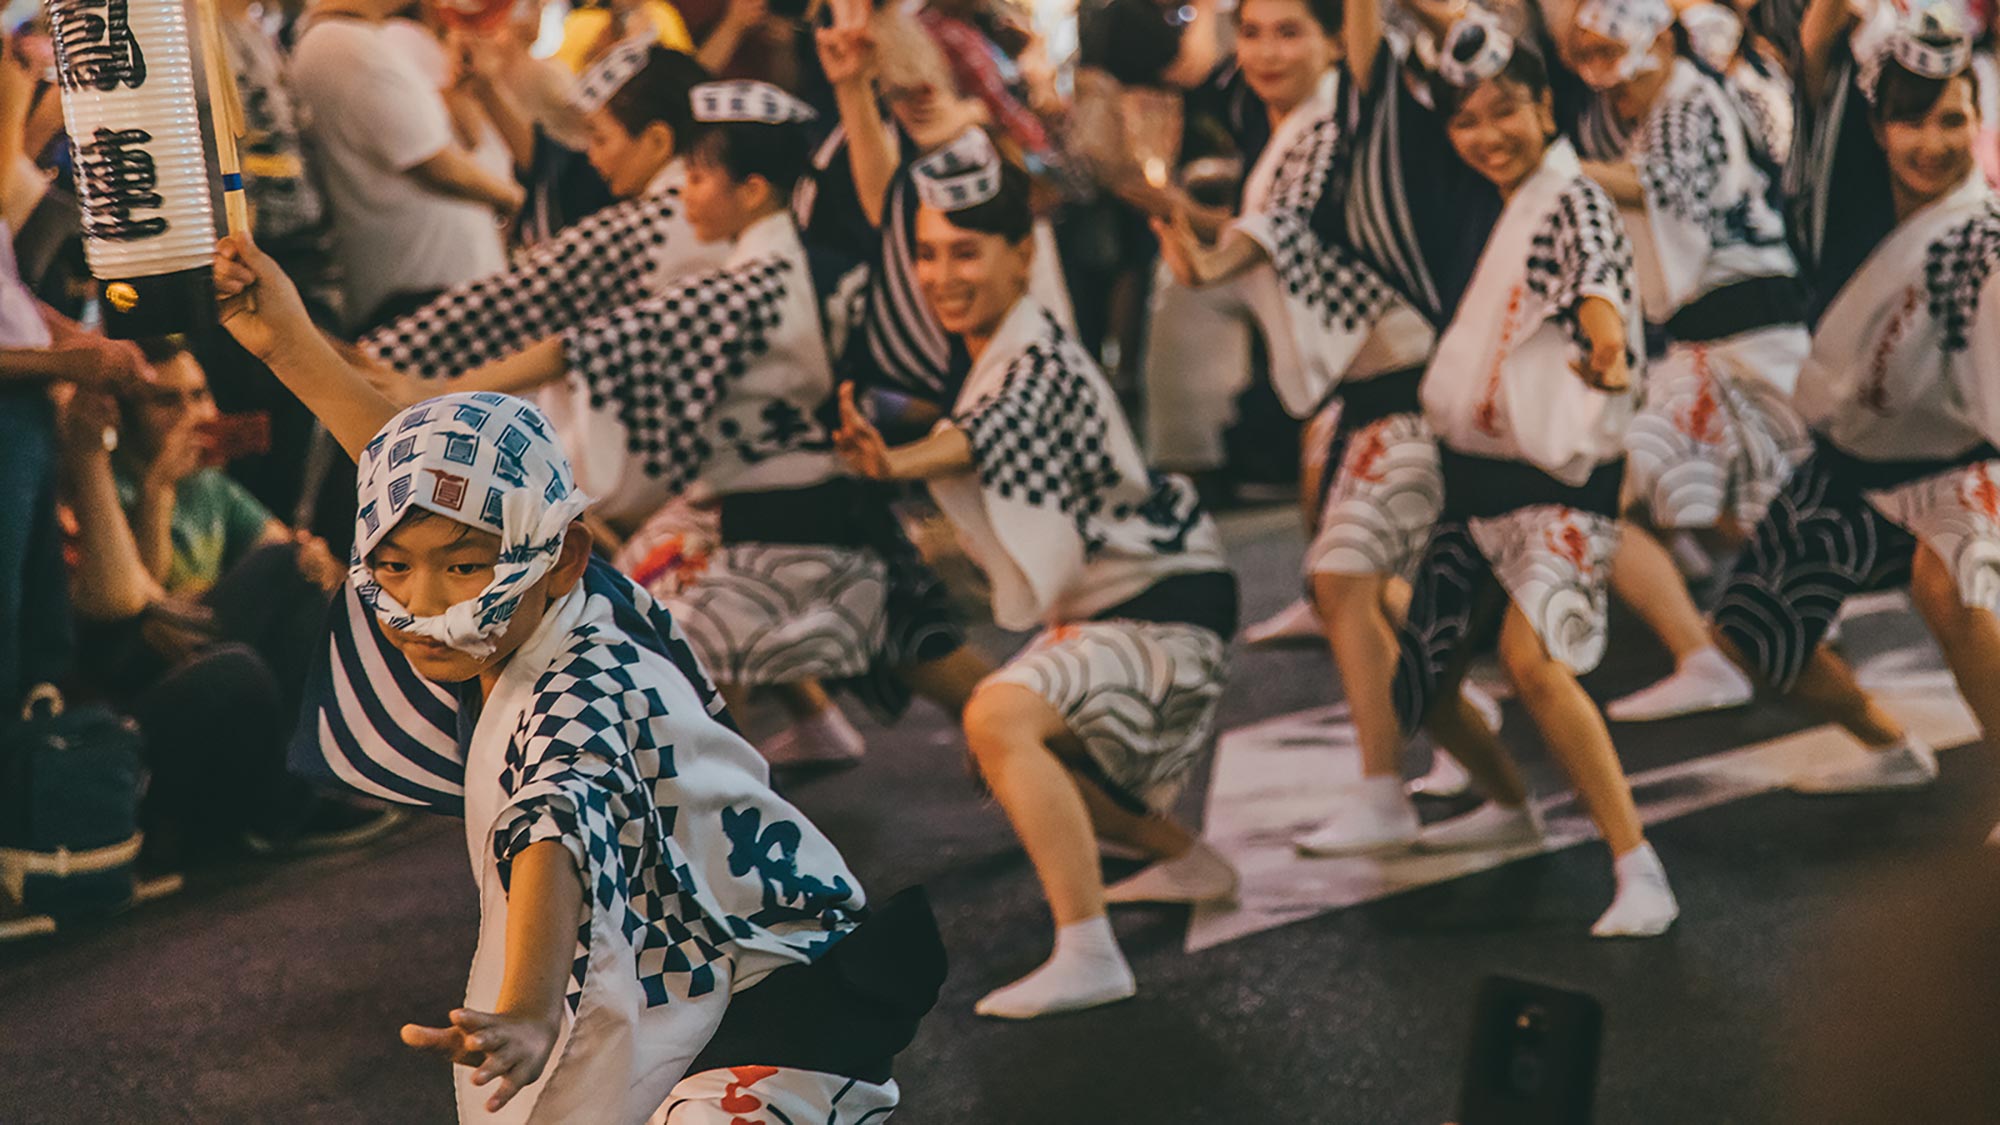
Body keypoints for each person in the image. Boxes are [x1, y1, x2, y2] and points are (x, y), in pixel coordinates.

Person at [212, 230, 944, 1121]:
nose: (423, 602)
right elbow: (428, 484)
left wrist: (525, 1010)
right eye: (394, 568)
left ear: (562, 557)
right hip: (701, 969)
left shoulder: (579, 679)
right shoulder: (562, 587)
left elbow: (557, 813)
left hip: (778, 993)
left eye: (462, 568)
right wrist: (289, 339)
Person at [835, 136, 1241, 1019]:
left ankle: (1089, 949)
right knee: (1023, 736)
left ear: (1023, 252)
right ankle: (1186, 856)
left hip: (1164, 610)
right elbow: (886, 211)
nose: (941, 273)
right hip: (1136, 603)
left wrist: (896, 462)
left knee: (998, 714)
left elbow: (985, 431)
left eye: (966, 252)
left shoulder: (1033, 356)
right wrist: (859, 93)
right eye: (929, 253)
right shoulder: (988, 335)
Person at [1355, 12, 1680, 936]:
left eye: (1507, 111)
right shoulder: (1493, 204)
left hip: (1559, 479)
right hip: (1479, 479)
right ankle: (1509, 804)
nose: (1488, 134)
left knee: (1538, 663)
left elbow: (1597, 287)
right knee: (1418, 666)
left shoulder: (1568, 198)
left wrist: (1607, 352)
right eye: (1468, 122)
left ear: (1546, 106)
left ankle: (1637, 862)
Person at [1151, 0, 1490, 853]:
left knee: (1344, 582)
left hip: (1413, 387)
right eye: (1253, 31)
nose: (1265, 50)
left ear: (1339, 39)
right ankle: (1461, 722)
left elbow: (1260, 237)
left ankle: (1388, 788)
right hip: (1368, 395)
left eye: (1289, 30)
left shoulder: (1352, 113)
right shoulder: (1284, 124)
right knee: (1366, 586)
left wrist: (1207, 246)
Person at [1710, 9, 2000, 805]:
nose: (1932, 142)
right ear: (1877, 129)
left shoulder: (1979, 239)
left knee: (1949, 588)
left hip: (1961, 459)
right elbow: (1814, 59)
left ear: (1979, 121)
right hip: (1854, 459)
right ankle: (1888, 740)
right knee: (1750, 632)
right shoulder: (1845, 210)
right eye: (1910, 121)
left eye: (1952, 120)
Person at [1559, 0, 1812, 723]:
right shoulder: (1692, 93)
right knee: (1742, 503)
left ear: (1661, 41)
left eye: (1617, 58)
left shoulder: (1688, 99)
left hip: (1744, 336)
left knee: (1601, 490)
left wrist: (1552, 168)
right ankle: (1773, 630)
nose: (1610, 82)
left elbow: (1666, 191)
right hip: (1731, 342)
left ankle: (1706, 654)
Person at [289, 0, 523, 330]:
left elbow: (453, 141)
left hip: (442, 283)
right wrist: (516, 199)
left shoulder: (368, 41)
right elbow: (434, 164)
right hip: (420, 290)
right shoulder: (340, 45)